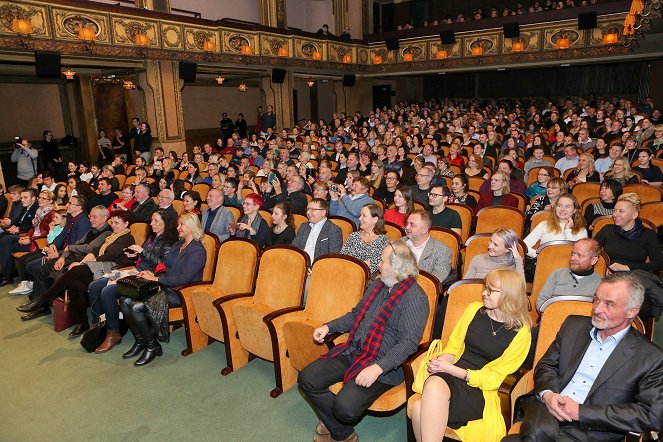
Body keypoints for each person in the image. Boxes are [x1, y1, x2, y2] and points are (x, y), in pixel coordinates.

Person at [298, 239, 429, 442]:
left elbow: (408, 343)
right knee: (307, 379)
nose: (379, 264)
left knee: (344, 408)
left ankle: (334, 420)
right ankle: (343, 434)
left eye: (383, 260)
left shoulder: (415, 298)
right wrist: (328, 326)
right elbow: (355, 315)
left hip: (384, 366)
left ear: (396, 267)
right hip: (355, 350)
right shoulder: (378, 284)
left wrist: (377, 368)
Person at [510, 273, 663, 442]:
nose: (597, 309)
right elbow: (546, 365)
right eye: (596, 300)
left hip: (591, 430)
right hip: (546, 410)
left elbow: (651, 415)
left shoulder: (650, 358)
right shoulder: (573, 326)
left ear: (632, 311)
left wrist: (581, 412)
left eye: (609, 304)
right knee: (536, 433)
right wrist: (548, 395)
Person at [411, 268, 531, 442]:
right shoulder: (474, 310)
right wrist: (442, 360)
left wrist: (453, 371)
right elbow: (454, 346)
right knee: (420, 404)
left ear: (509, 295)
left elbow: (494, 378)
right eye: (485, 288)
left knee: (421, 406)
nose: (485, 293)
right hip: (452, 373)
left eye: (492, 290)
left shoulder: (521, 333)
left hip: (479, 389)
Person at [16, 210, 134, 334]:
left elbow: (109, 255)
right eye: (113, 222)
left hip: (113, 269)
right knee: (74, 284)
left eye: (117, 223)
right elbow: (94, 251)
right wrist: (83, 262)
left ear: (126, 224)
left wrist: (83, 264)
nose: (114, 225)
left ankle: (42, 299)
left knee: (75, 271)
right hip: (99, 265)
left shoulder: (127, 237)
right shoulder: (112, 236)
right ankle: (81, 322)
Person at [119, 212, 207, 366]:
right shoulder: (179, 244)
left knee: (136, 306)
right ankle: (141, 341)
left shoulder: (197, 250)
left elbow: (184, 279)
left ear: (192, 227)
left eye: (182, 225)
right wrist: (151, 274)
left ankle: (152, 346)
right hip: (165, 284)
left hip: (180, 292)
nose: (177, 227)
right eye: (178, 224)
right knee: (124, 300)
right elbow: (164, 265)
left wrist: (156, 279)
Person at [88, 209, 178, 351]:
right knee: (95, 285)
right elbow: (145, 258)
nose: (152, 224)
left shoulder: (170, 242)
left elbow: (163, 265)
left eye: (156, 221)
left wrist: (142, 252)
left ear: (166, 223)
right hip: (136, 271)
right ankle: (100, 324)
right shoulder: (151, 238)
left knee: (107, 291)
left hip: (149, 277)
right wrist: (135, 256)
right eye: (151, 220)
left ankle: (113, 332)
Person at [21, 204, 111, 320]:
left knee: (59, 275)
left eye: (94, 217)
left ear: (104, 218)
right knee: (41, 270)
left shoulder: (107, 233)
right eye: (90, 216)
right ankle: (41, 306)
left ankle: (42, 304)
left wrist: (69, 249)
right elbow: (76, 244)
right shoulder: (91, 230)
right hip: (71, 257)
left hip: (83, 262)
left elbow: (88, 248)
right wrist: (62, 257)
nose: (91, 219)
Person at [594, 193, 663, 273]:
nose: (615, 215)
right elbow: (590, 251)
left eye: (621, 211)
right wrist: (603, 267)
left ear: (634, 215)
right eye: (614, 210)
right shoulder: (607, 230)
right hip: (610, 277)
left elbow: (658, 263)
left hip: (636, 278)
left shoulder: (648, 234)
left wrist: (627, 267)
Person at [535, 238, 603, 312]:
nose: (573, 258)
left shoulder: (601, 283)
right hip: (552, 320)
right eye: (573, 253)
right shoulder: (557, 274)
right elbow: (541, 301)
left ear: (593, 260)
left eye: (579, 255)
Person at [524, 193, 587, 258]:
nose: (562, 209)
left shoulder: (581, 230)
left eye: (567, 206)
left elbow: (577, 254)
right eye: (559, 205)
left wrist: (567, 230)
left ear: (574, 210)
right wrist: (537, 255)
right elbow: (525, 245)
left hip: (569, 266)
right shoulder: (544, 224)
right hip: (546, 265)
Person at [404, 210, 453, 284]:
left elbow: (434, 282)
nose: (407, 227)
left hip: (420, 291)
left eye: (412, 225)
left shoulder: (442, 251)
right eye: (407, 223)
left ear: (425, 230)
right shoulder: (398, 243)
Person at [340, 204, 389, 274]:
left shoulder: (383, 241)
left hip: (368, 281)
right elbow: (341, 258)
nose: (360, 218)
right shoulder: (354, 236)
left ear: (375, 220)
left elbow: (373, 268)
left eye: (364, 215)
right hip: (345, 274)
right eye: (360, 215)